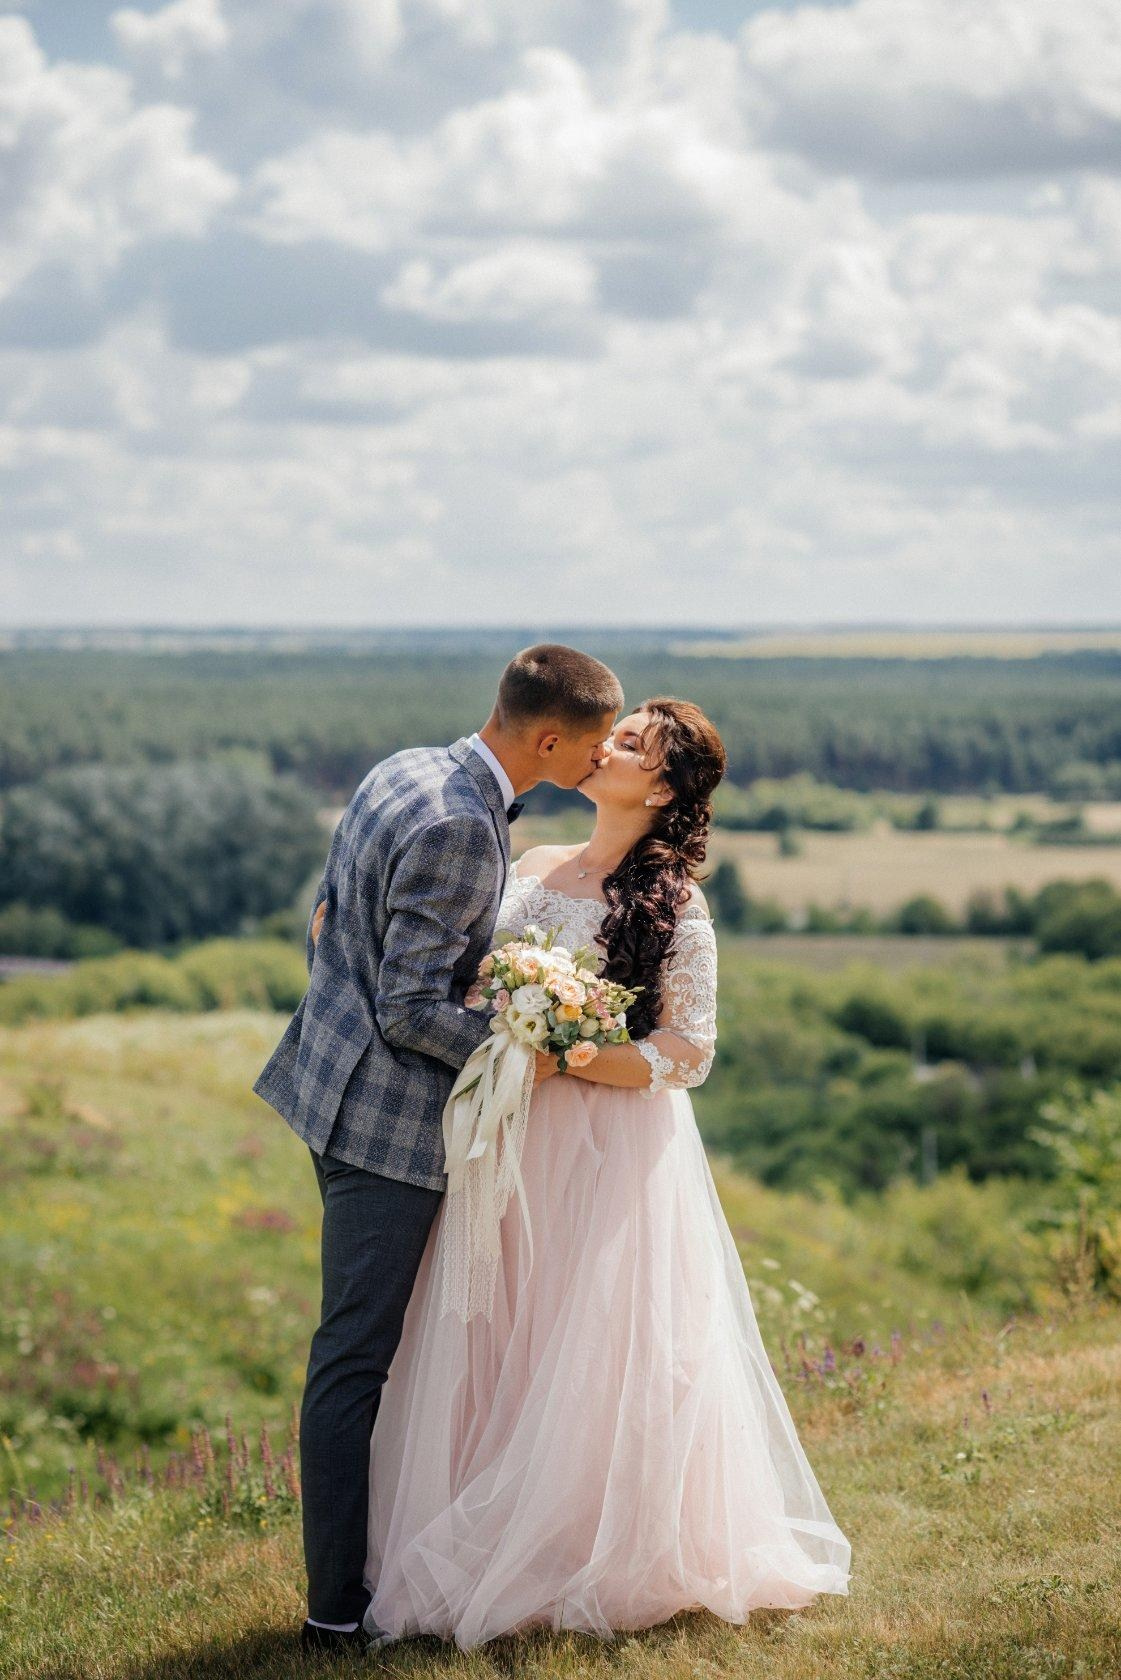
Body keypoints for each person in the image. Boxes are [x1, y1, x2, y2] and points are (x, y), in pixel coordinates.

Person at [349, 697, 853, 1649]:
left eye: (629, 744)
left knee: (581, 1337)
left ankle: (578, 1545)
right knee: (491, 1322)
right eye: (612, 732)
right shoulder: (532, 862)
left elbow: (687, 1051)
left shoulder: (672, 906)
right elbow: (463, 976)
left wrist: (571, 1051)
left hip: (602, 1150)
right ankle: (467, 1525)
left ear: (660, 789)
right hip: (504, 1132)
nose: (604, 746)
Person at [252, 643, 624, 1654]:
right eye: (590, 746)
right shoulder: (463, 823)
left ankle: (397, 1552)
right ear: (547, 740)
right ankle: (333, 1614)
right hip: (384, 1129)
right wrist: (528, 1054)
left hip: (327, 1081)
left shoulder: (408, 766)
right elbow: (410, 1007)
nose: (596, 762)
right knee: (354, 1359)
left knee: (374, 1350)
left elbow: (331, 917)